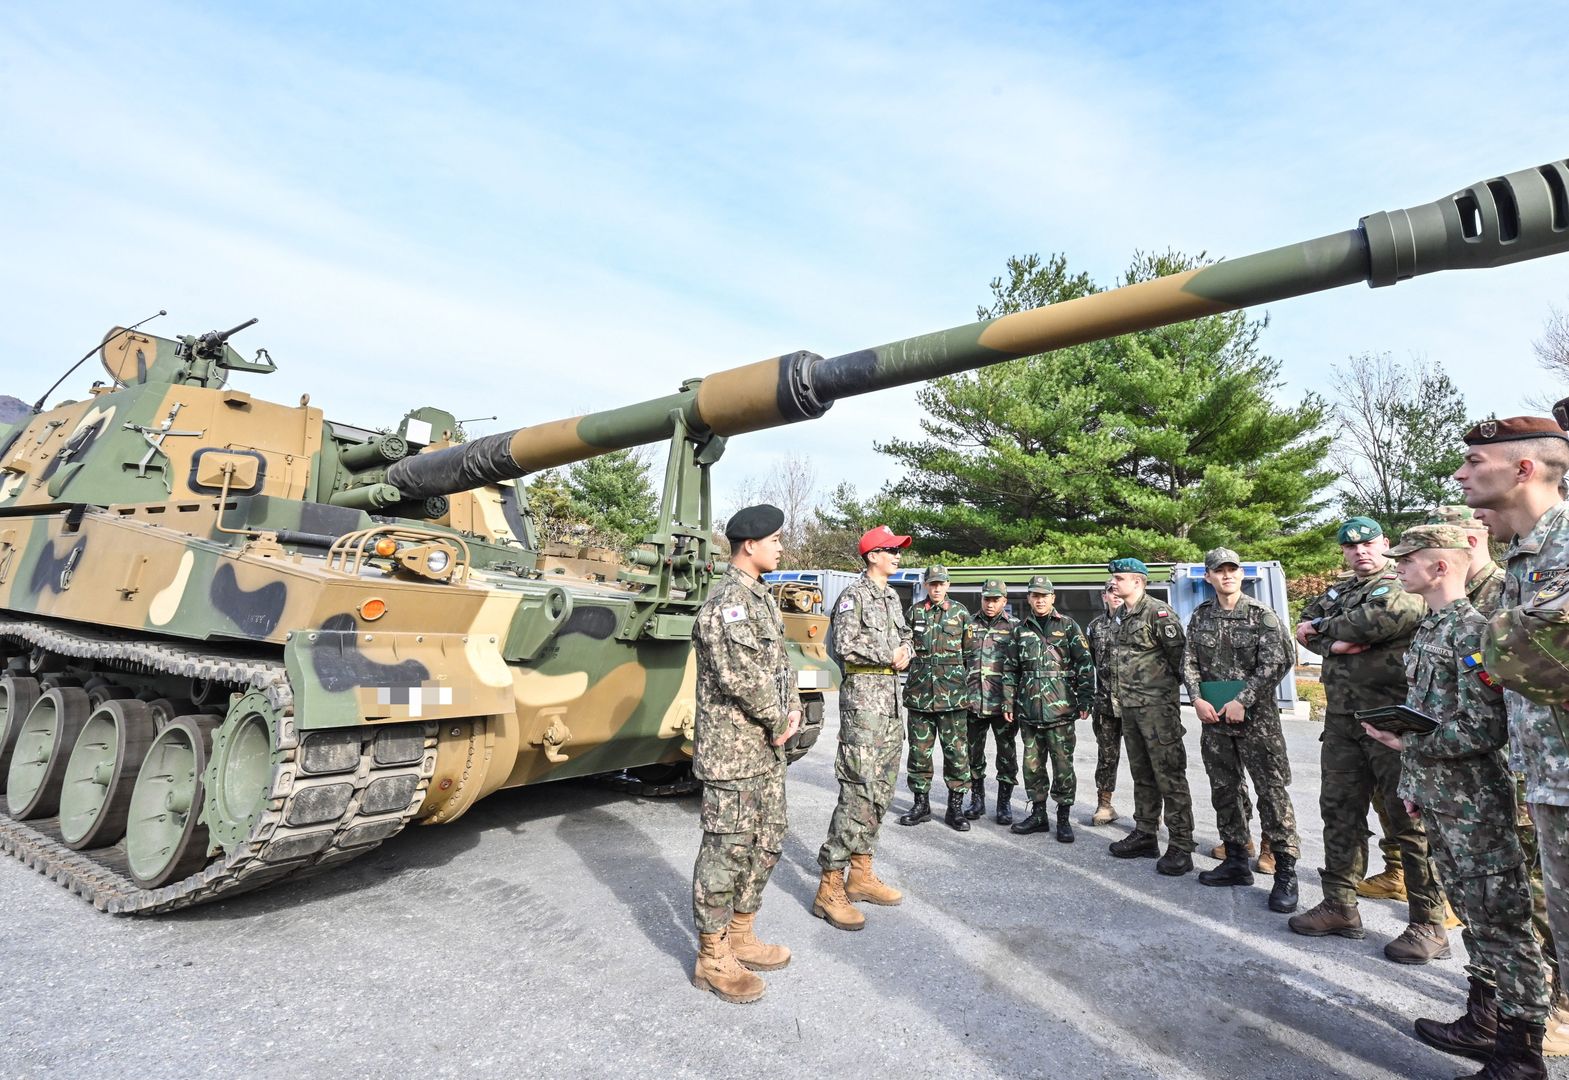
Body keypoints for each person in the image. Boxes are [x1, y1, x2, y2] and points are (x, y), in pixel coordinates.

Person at [1364, 523, 1550, 1077]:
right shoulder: (1432, 627)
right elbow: (1430, 709)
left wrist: (1408, 741)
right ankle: (1485, 1020)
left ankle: (1520, 1056)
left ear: (1440, 566)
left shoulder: (1474, 631)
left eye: (1407, 559)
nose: (1396, 566)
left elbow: (1484, 727)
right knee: (1472, 914)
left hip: (1476, 803)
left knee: (1503, 921)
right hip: (1441, 795)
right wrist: (1414, 782)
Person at [1457, 413, 1569, 1066]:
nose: (1460, 473)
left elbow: (1538, 652)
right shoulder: (1525, 558)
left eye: (1474, 461)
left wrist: (1489, 644)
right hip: (1550, 775)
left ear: (1522, 468)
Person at [1289, 517, 1449, 965]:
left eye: (1368, 543)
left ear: (1385, 544)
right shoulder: (1341, 592)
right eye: (1350, 546)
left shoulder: (1400, 583)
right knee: (1339, 810)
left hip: (1393, 716)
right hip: (1343, 719)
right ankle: (1340, 904)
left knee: (1408, 821)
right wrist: (1334, 641)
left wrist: (1331, 632)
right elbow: (1305, 625)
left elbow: (1376, 622)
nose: (1360, 551)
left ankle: (1428, 922)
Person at [689, 504, 802, 1004]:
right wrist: (780, 718)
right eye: (775, 539)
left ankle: (740, 932)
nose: (781, 547)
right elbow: (743, 678)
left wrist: (794, 707)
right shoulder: (728, 603)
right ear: (749, 546)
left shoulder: (763, 600)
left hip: (764, 750)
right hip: (733, 753)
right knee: (727, 849)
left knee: (768, 839)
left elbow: (780, 666)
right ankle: (712, 956)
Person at [1181, 547, 1300, 913]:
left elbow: (1279, 661)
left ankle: (1285, 870)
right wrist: (1196, 698)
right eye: (1220, 571)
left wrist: (1243, 700)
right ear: (1209, 577)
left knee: (1271, 790)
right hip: (1214, 718)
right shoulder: (1201, 616)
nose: (1227, 575)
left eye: (1233, 570)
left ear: (1241, 575)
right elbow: (1189, 661)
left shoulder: (1261, 616)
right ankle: (1235, 857)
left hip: (1257, 721)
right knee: (1225, 787)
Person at [814, 525, 914, 931]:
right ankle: (830, 885)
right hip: (864, 708)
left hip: (890, 705)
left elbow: (906, 635)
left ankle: (861, 872)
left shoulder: (890, 596)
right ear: (872, 555)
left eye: (898, 550)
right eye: (891, 550)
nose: (898, 556)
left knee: (881, 792)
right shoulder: (854, 595)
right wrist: (889, 654)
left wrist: (905, 648)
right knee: (858, 792)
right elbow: (843, 644)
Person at [1103, 557, 1195, 876]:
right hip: (1129, 708)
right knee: (1142, 774)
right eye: (1112, 578)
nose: (1113, 582)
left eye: (1119, 577)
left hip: (1157, 711)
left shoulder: (1158, 613)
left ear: (1139, 581)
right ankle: (1145, 833)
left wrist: (1161, 694)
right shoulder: (1121, 615)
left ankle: (1181, 845)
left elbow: (1180, 660)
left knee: (1169, 775)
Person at [1006, 575, 1094, 843]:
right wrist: (1008, 701)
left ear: (1053, 598)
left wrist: (1085, 699)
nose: (1040, 599)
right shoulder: (1020, 630)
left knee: (1063, 765)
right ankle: (1039, 815)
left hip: (1061, 710)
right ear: (1029, 598)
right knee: (1032, 766)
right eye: (1035, 595)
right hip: (1030, 711)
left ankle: (1064, 818)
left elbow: (1084, 663)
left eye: (1044, 595)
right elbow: (1010, 669)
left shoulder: (1067, 626)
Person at [898, 565, 976, 832]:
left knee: (956, 753)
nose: (937, 588)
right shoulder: (915, 612)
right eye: (932, 584)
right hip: (920, 694)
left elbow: (971, 654)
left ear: (948, 585)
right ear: (926, 585)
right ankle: (921, 804)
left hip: (953, 696)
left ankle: (955, 808)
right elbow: (905, 646)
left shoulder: (960, 613)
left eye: (941, 584)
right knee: (919, 753)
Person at [967, 578, 1020, 825]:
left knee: (1006, 755)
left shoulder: (1016, 628)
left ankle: (1004, 803)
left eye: (995, 599)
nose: (990, 604)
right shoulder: (968, 625)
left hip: (1003, 705)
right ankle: (977, 800)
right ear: (981, 599)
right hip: (973, 703)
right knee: (973, 754)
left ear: (1004, 601)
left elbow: (1020, 667)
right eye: (987, 599)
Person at [1084, 579, 1126, 826]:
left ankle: (1149, 811)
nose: (1116, 594)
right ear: (1104, 596)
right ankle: (1105, 804)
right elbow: (1089, 663)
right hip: (1105, 703)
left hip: (1135, 704)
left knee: (1144, 760)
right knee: (1107, 756)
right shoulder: (1095, 627)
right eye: (1111, 591)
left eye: (1119, 590)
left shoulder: (1139, 622)